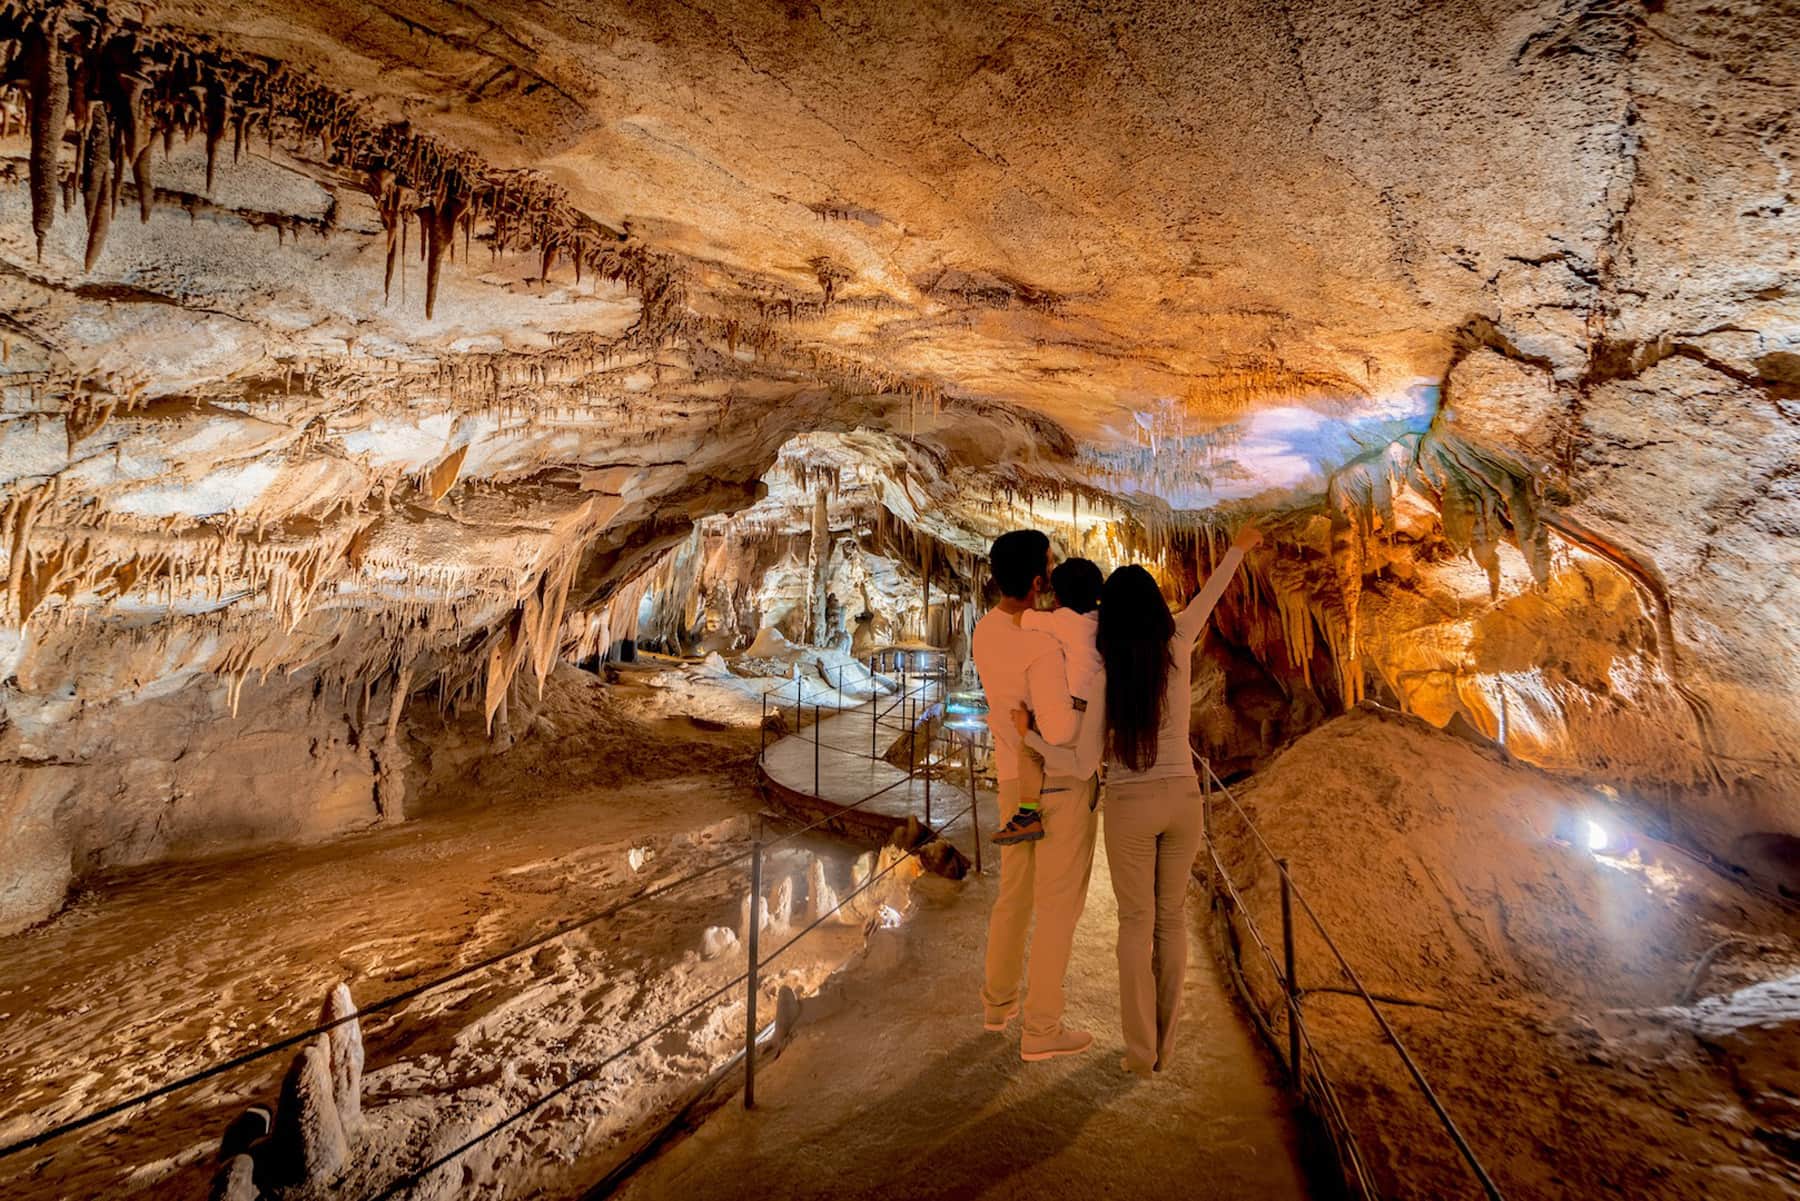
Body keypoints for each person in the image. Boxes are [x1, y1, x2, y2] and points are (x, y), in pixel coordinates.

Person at [1016, 524, 1261, 1075]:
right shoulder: (1177, 642)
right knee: (1169, 921)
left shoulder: (1105, 675)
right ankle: (1166, 1047)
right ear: (1154, 608)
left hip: (1130, 806)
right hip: (1182, 800)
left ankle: (1139, 1050)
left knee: (1135, 922)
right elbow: (1210, 594)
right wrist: (1238, 550)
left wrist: (1028, 735)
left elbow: (1081, 764)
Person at [971, 530, 1097, 1062]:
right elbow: (1060, 730)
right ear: (1040, 580)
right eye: (1049, 566)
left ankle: (998, 1006)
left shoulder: (984, 631)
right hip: (1057, 787)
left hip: (1010, 783)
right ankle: (1042, 1027)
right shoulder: (1043, 645)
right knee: (1057, 907)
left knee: (1014, 897)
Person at [993, 558, 1106, 846]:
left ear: (1058, 596)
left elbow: (1021, 620)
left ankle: (1027, 814)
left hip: (1070, 712)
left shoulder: (1063, 620)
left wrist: (1044, 608)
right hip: (1097, 717)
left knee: (1028, 747)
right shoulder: (1101, 621)